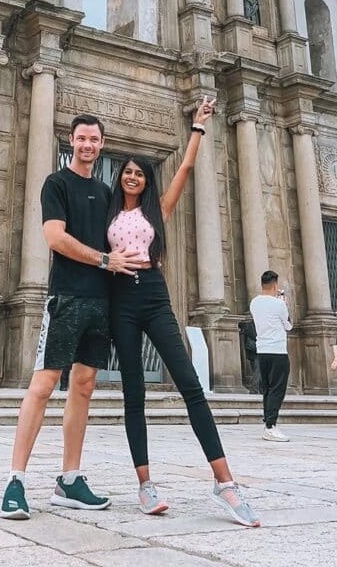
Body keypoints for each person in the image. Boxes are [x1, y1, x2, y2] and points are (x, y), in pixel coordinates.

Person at [106, 97, 260, 526]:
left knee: (190, 383)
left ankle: (225, 482)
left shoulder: (159, 210)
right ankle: (145, 485)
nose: (133, 176)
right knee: (133, 392)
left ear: (146, 181)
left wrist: (198, 126)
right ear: (120, 179)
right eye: (128, 172)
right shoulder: (106, 211)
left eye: (140, 172)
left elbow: (186, 169)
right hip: (119, 299)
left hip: (153, 295)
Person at [0, 114, 144, 521]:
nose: (87, 145)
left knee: (83, 386)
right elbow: (55, 238)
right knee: (43, 385)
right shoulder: (56, 184)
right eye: (81, 138)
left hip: (100, 303)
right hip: (65, 298)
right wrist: (104, 260)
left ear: (101, 144)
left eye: (94, 139)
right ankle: (16, 480)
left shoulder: (105, 192)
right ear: (71, 141)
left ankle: (70, 479)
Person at [250, 270, 292, 442]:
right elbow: (288, 325)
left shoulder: (254, 303)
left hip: (262, 350)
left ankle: (268, 422)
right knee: (277, 389)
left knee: (267, 388)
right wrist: (284, 303)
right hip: (277, 351)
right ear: (275, 285)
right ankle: (270, 425)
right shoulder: (279, 305)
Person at [239, 318, 260, 394]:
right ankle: (254, 390)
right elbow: (255, 336)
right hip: (256, 351)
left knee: (257, 371)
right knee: (258, 371)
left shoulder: (250, 325)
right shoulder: (250, 325)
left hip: (254, 351)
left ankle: (258, 389)